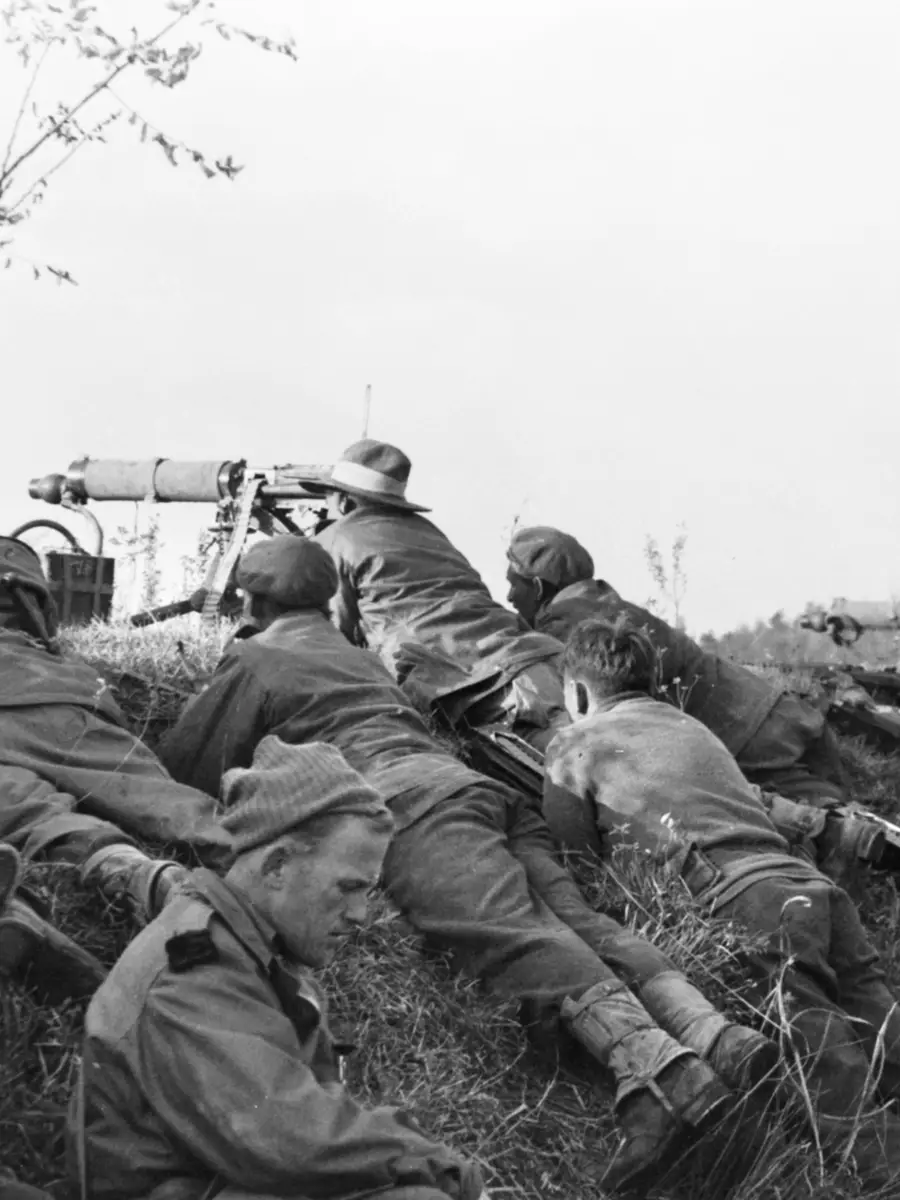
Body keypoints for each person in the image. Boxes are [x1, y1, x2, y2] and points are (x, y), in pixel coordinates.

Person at [160, 535, 778, 1193]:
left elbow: (184, 761)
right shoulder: (359, 656)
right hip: (481, 792)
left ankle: (662, 1082)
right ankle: (713, 1035)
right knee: (576, 920)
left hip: (414, 806)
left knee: (512, 935)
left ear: (252, 601)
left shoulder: (257, 658)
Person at [542, 614, 900, 1188]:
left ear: (578, 693)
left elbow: (577, 860)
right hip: (807, 885)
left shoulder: (574, 744)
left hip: (745, 902)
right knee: (885, 1024)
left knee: (832, 1080)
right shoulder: (692, 726)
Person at [70, 738, 485, 1200]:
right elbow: (290, 1139)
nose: (361, 915)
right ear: (277, 866)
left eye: (367, 892)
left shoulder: (252, 950)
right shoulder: (195, 973)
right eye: (348, 887)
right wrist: (443, 1168)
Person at [505, 525, 846, 804]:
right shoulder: (606, 603)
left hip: (748, 741)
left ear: (537, 588)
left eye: (512, 585)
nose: (508, 597)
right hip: (775, 711)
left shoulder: (566, 628)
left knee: (836, 828)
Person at [0, 536, 232, 939]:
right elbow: (51, 635)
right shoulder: (23, 585)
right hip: (52, 697)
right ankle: (255, 855)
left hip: (31, 696)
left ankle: (117, 863)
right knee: (154, 794)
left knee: (18, 799)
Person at [292, 440, 567, 749]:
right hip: (534, 660)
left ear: (344, 503)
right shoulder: (429, 532)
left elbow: (329, 641)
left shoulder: (334, 541)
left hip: (479, 689)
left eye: (328, 498)